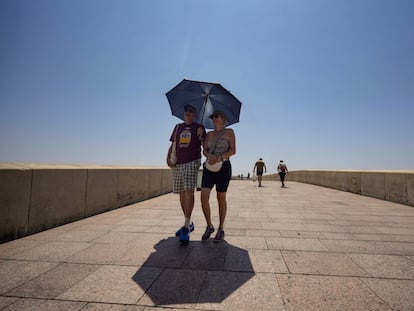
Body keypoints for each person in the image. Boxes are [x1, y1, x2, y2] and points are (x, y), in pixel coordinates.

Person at [168, 104, 206, 244]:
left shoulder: (199, 127)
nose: (188, 114)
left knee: (189, 191)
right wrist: (168, 158)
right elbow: (173, 145)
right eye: (186, 112)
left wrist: (202, 136)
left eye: (191, 112)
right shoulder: (178, 127)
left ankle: (185, 226)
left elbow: (204, 146)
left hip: (192, 161)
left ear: (194, 115)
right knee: (181, 193)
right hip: (177, 162)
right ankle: (188, 223)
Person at [200, 110, 236, 243]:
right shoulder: (209, 134)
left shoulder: (229, 132)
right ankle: (209, 226)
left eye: (217, 116)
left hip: (224, 167)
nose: (214, 118)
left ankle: (221, 228)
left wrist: (219, 157)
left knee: (221, 197)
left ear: (223, 118)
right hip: (209, 168)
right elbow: (204, 150)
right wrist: (210, 156)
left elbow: (233, 151)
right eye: (213, 116)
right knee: (203, 197)